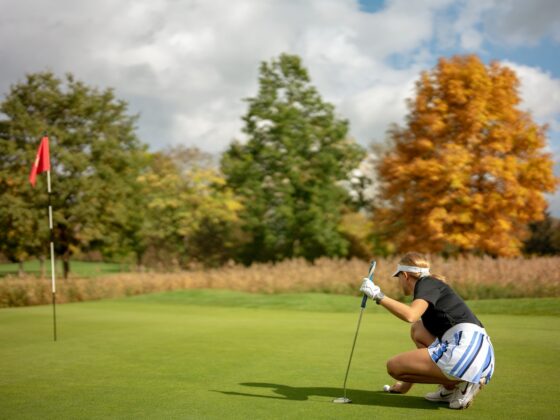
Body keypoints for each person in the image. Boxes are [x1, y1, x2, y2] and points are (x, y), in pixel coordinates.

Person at [359, 252, 495, 410]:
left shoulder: (426, 283)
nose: (399, 282)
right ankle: (450, 390)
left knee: (393, 366)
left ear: (405, 275)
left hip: (466, 351)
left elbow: (410, 315)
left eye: (398, 277)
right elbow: (417, 326)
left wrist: (377, 295)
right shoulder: (430, 287)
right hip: (478, 354)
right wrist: (404, 387)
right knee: (418, 329)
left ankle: (463, 382)